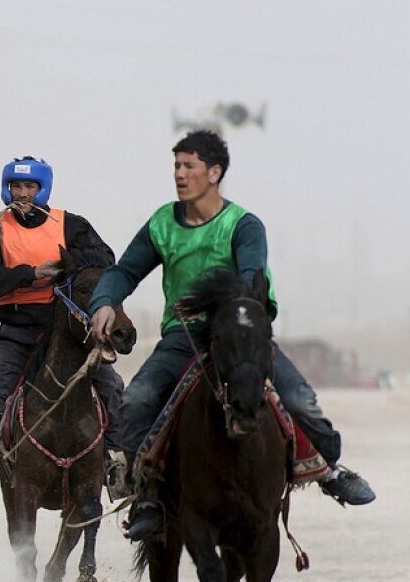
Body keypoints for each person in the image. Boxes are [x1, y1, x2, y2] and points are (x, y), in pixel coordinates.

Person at [89, 130, 376, 541]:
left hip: (240, 335)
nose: (180, 174)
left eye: (189, 166)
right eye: (176, 166)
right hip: (183, 338)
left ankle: (330, 470)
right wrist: (104, 301)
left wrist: (235, 311)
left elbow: (251, 276)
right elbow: (124, 272)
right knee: (136, 399)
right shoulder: (162, 225)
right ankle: (146, 496)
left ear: (215, 172)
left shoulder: (243, 225)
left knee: (300, 401)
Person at [0, 157, 125, 509]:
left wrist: (69, 265)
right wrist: (32, 273)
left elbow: (105, 259)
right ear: (6, 188)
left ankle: (116, 461)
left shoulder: (70, 224)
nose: (22, 193)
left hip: (66, 331)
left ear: (43, 189)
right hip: (16, 330)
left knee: (112, 385)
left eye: (29, 187)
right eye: (16, 186)